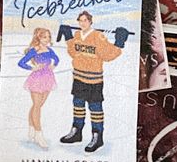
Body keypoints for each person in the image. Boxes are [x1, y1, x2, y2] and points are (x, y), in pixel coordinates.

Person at [60, 10, 123, 154]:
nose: (82, 23)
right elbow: (73, 52)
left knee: (95, 107)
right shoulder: (77, 35)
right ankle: (77, 131)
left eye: (85, 20)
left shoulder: (97, 36)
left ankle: (97, 135)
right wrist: (68, 36)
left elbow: (108, 55)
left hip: (94, 79)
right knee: (78, 104)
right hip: (78, 77)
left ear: (90, 22)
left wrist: (119, 42)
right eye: (80, 20)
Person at [18, 27, 59, 149]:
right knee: (37, 106)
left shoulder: (49, 49)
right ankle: (39, 134)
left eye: (48, 37)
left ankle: (31, 128)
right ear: (38, 38)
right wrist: (32, 68)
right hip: (36, 79)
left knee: (39, 105)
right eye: (44, 37)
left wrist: (53, 65)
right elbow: (21, 63)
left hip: (48, 78)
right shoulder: (34, 50)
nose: (47, 39)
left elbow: (56, 59)